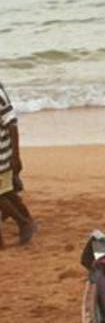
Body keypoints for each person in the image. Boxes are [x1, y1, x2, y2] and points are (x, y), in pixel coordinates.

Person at [0, 79, 36, 247]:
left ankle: (24, 223)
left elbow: (12, 125)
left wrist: (16, 156)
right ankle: (26, 221)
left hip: (3, 155)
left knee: (3, 194)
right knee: (6, 193)